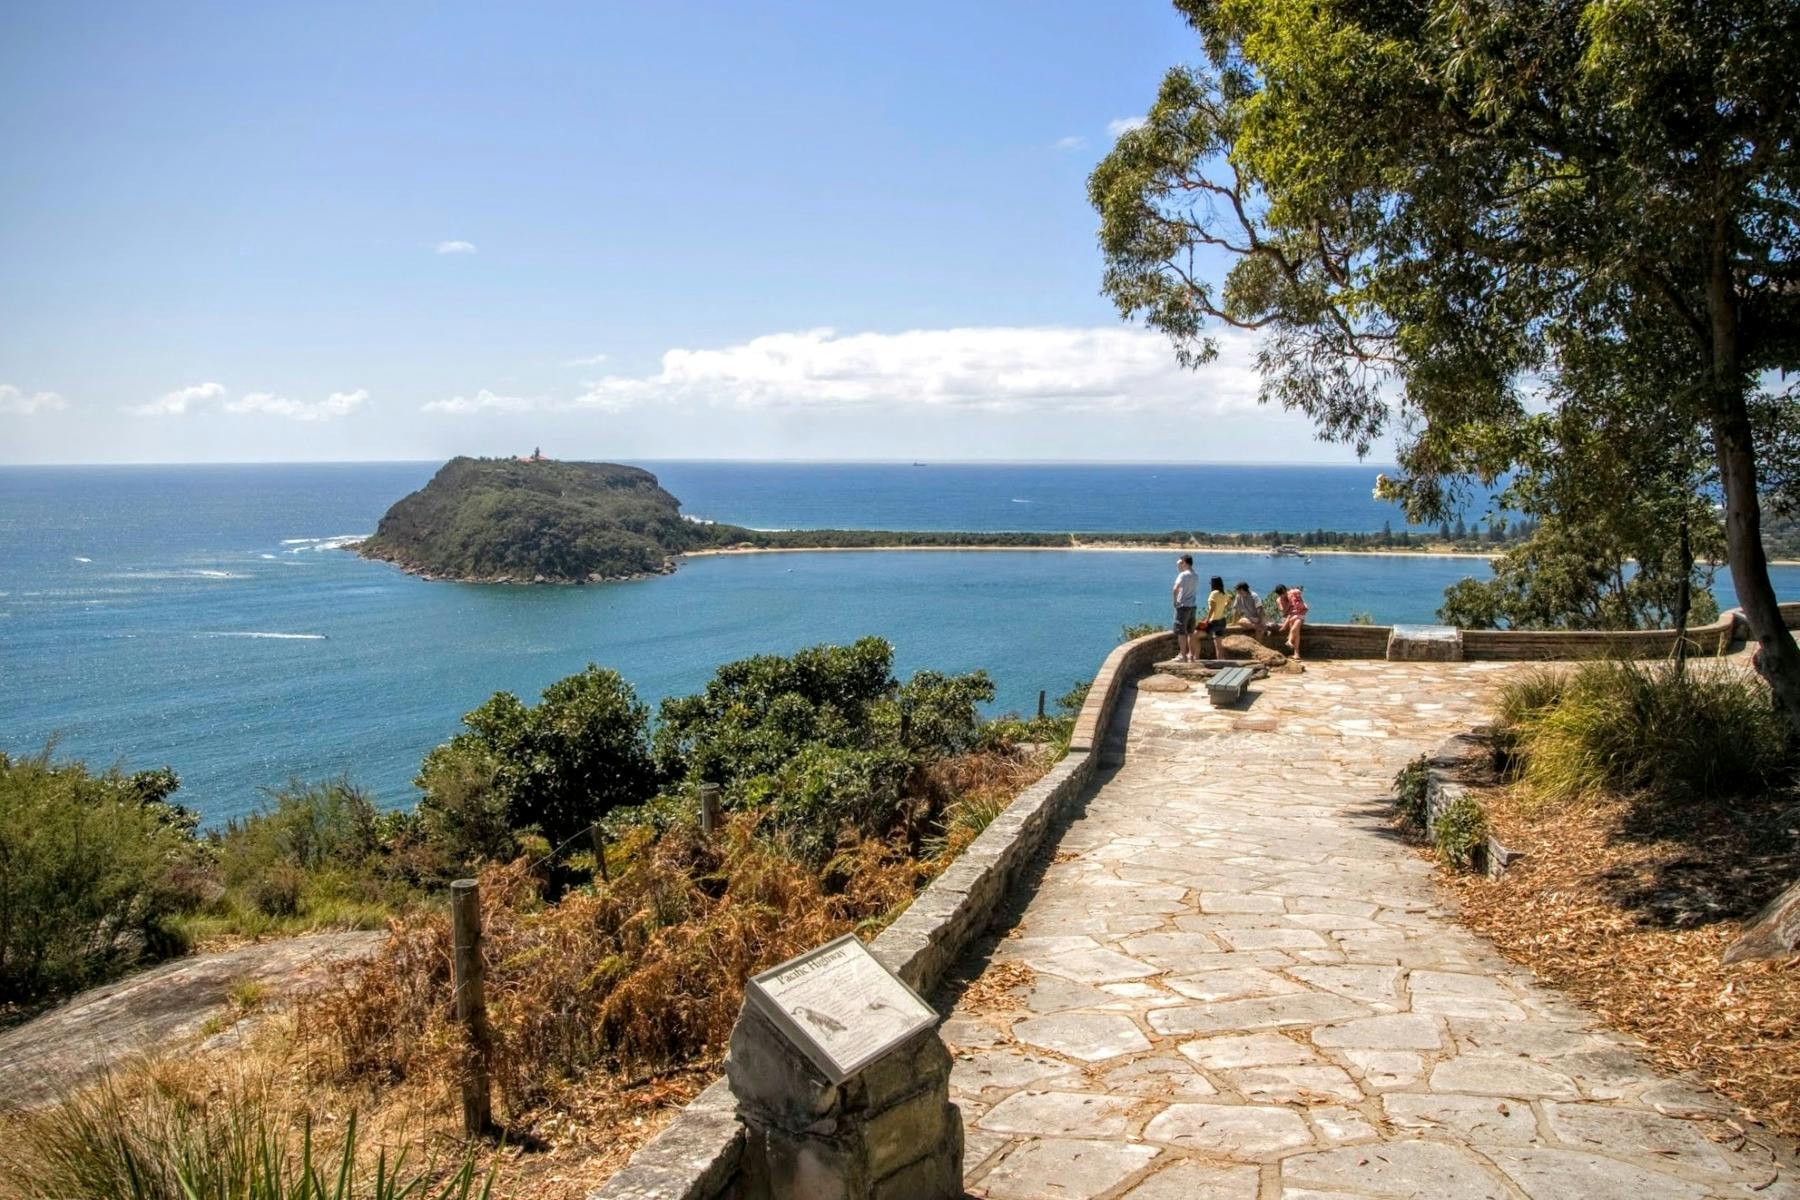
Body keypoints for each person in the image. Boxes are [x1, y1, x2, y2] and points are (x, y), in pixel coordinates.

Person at [1171, 554, 1199, 662]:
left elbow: (1175, 589)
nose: (1180, 565)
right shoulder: (1195, 575)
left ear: (1185, 563)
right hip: (1192, 606)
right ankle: (1190, 655)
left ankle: (1182, 656)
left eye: (1181, 563)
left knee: (1181, 633)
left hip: (1183, 606)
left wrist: (1175, 601)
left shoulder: (1183, 575)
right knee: (1190, 632)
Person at [1272, 583, 1309, 659]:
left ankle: (1290, 641)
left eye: (1284, 592)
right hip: (1288, 617)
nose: (1284, 595)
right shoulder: (1279, 600)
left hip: (1297, 615)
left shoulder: (1292, 595)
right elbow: (1284, 612)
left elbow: (1301, 605)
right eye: (1282, 594)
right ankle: (1296, 653)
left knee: (1297, 622)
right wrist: (1289, 605)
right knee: (1296, 624)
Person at [1203, 575, 1232, 658]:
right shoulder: (1224, 593)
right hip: (1222, 621)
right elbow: (1230, 601)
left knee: (1194, 636)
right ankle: (1220, 663)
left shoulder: (1213, 594)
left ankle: (1195, 658)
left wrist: (1207, 620)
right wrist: (1223, 607)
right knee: (1218, 646)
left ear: (1212, 584)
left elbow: (1212, 608)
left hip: (1214, 622)